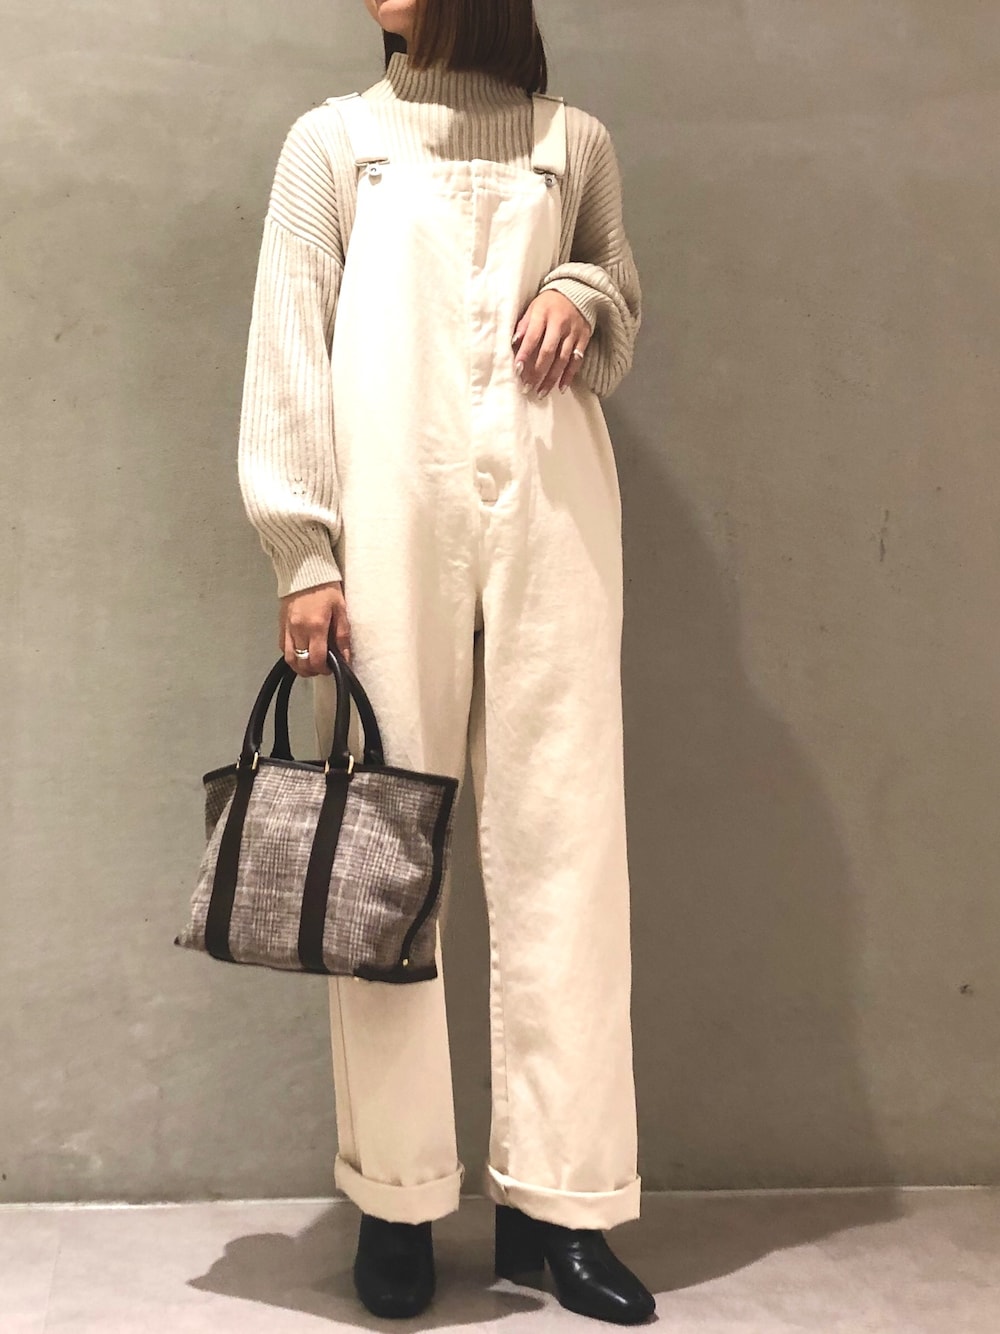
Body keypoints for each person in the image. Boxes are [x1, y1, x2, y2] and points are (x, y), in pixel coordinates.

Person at [236, 0, 652, 1322]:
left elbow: (619, 308)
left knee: (568, 850)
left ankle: (562, 1205)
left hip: (554, 509)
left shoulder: (573, 143)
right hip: (388, 514)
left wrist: (584, 291)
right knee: (381, 855)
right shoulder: (334, 144)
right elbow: (289, 344)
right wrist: (304, 552)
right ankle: (398, 1197)